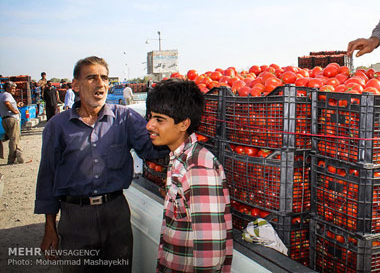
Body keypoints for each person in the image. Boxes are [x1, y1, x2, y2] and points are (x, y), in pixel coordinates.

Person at [35, 56, 168, 272]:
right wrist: (50, 228)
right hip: (75, 217)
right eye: (92, 77)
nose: (100, 83)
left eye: (104, 77)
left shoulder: (126, 119)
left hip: (115, 214)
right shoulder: (57, 127)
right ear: (76, 85)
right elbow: (47, 177)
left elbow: (151, 149)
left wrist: (176, 130)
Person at [146, 79, 232, 272]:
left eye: (159, 120)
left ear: (184, 124)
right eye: (150, 117)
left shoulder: (198, 167)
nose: (149, 126)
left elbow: (210, 254)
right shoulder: (180, 159)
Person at [0, 82, 25, 164]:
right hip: (11, 119)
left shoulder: (2, 95)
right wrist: (14, 111)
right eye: (13, 88)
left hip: (5, 119)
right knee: (14, 139)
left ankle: (17, 155)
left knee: (13, 138)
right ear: (7, 88)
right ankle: (11, 159)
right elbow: (7, 103)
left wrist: (16, 106)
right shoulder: (7, 95)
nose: (14, 90)